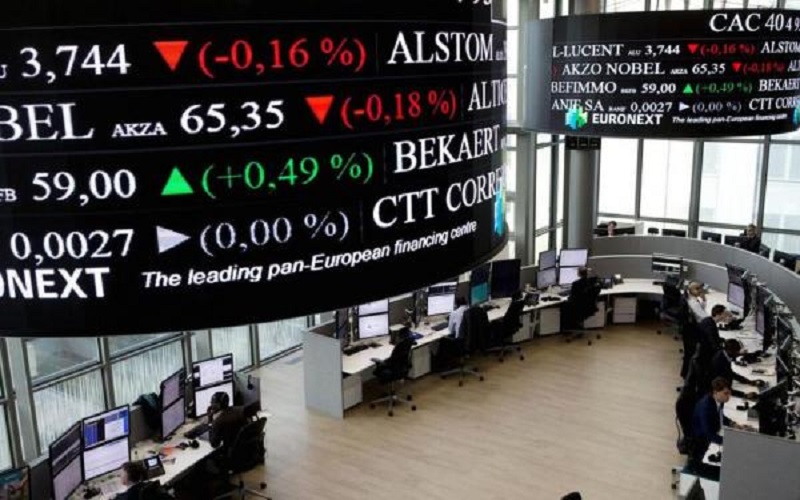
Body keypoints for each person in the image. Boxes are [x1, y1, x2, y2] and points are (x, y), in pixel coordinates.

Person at [689, 377, 753, 480]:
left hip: (715, 430)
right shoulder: (706, 407)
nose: (729, 396)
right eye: (725, 393)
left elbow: (720, 415)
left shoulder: (719, 400)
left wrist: (733, 424)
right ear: (715, 392)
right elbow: (708, 434)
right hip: (702, 441)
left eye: (729, 393)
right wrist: (728, 442)